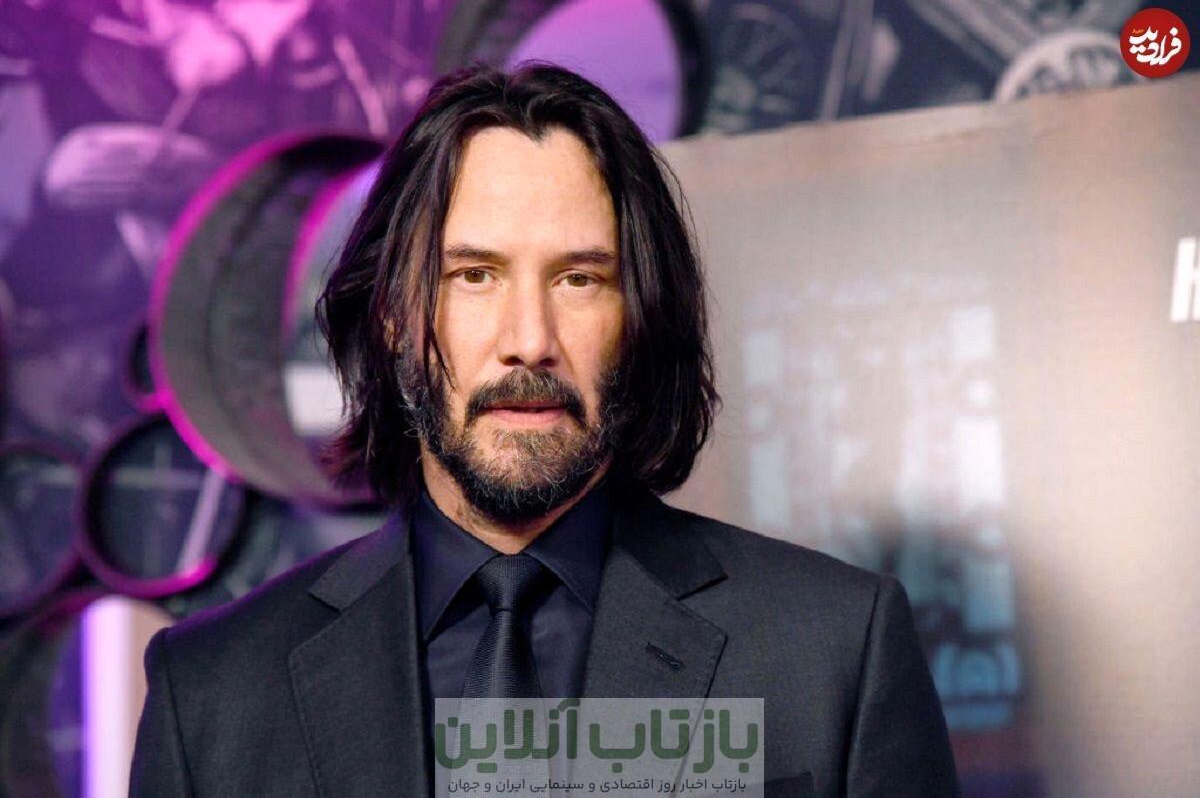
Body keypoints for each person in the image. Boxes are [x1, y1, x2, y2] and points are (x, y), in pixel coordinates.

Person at [129, 62, 960, 797]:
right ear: (390, 318)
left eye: (578, 278)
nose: (529, 338)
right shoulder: (211, 694)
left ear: (640, 317)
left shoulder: (835, 651)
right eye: (474, 275)